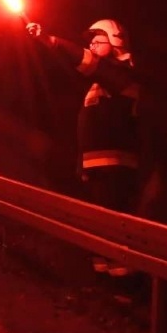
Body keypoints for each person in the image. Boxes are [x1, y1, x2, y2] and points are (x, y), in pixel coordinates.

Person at [26, 18, 141, 277]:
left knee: (115, 225)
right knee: (99, 225)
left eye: (97, 40)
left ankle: (127, 284)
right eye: (90, 41)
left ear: (116, 41)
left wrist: (51, 40)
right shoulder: (100, 81)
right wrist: (82, 161)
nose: (91, 44)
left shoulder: (124, 73)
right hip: (97, 164)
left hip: (116, 166)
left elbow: (87, 61)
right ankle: (105, 281)